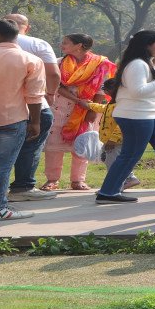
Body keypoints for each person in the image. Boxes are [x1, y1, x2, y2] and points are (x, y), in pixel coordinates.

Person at [0, 14, 60, 203]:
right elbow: (34, 95)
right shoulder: (32, 57)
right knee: (3, 163)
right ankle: (2, 203)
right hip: (14, 117)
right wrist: (36, 121)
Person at [92, 30, 155, 204]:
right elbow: (138, 91)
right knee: (130, 155)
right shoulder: (137, 64)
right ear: (147, 45)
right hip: (135, 116)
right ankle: (108, 193)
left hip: (151, 113)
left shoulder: (148, 63)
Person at [44, 33, 117, 191]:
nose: (61, 45)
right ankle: (52, 179)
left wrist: (93, 108)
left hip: (88, 108)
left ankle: (78, 180)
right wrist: (78, 101)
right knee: (53, 146)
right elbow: (57, 86)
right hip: (60, 107)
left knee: (83, 143)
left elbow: (102, 88)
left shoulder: (100, 64)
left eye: (65, 43)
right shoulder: (59, 63)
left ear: (78, 46)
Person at [81, 78, 139, 191]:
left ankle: (126, 180)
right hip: (110, 141)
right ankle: (119, 183)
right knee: (111, 161)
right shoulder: (114, 103)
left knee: (114, 163)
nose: (104, 91)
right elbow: (105, 108)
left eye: (105, 89)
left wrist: (112, 139)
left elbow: (121, 124)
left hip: (115, 142)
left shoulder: (122, 104)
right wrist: (90, 105)